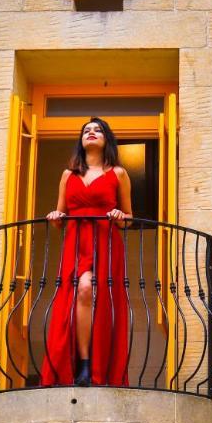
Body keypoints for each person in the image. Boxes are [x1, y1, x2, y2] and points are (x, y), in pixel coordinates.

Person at [41, 117, 132, 387]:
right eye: (86, 131)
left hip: (106, 242)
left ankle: (96, 365)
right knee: (80, 291)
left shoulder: (119, 173)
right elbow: (60, 218)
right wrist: (55, 215)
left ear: (106, 139)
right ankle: (83, 363)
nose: (91, 133)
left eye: (98, 130)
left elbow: (129, 219)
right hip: (76, 243)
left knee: (97, 296)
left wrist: (119, 215)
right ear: (81, 140)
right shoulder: (68, 175)